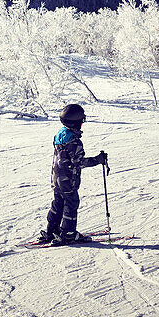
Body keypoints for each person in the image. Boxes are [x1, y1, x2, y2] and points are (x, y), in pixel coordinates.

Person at [38, 103, 108, 245]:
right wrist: (98, 160)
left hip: (56, 178)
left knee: (58, 203)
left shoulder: (60, 135)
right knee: (71, 203)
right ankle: (68, 234)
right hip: (68, 180)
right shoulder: (74, 142)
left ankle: (52, 230)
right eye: (81, 120)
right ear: (77, 123)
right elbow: (79, 162)